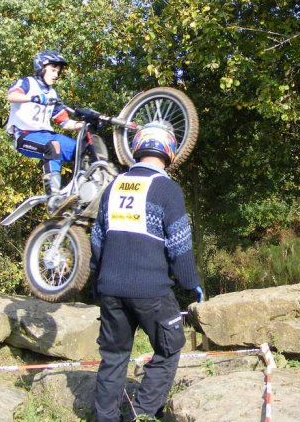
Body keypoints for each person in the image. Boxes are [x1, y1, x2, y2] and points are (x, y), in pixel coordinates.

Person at [90, 123, 204, 422]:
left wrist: (98, 279)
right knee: (169, 349)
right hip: (151, 291)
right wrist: (191, 282)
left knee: (113, 358)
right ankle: (139, 415)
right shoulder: (167, 189)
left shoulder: (113, 186)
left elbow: (97, 237)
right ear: (170, 152)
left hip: (111, 288)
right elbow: (179, 243)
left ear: (137, 147)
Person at [6, 50, 84, 212]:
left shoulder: (53, 94)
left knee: (82, 149)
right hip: (25, 136)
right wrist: (33, 98)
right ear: (41, 67)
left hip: (47, 135)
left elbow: (65, 123)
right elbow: (12, 96)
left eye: (58, 72)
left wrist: (83, 125)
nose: (56, 75)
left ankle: (83, 193)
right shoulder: (27, 83)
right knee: (53, 146)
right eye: (53, 70)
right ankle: (53, 198)